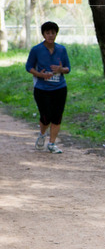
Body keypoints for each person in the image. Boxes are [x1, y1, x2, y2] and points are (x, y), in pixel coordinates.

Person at [26, 21, 70, 154]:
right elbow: (29, 67)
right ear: (43, 34)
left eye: (53, 33)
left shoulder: (61, 49)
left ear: (56, 34)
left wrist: (60, 69)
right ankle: (42, 134)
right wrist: (40, 74)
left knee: (57, 116)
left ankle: (52, 143)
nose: (50, 35)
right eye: (48, 33)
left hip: (60, 88)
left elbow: (68, 69)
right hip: (42, 89)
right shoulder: (36, 50)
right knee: (46, 116)